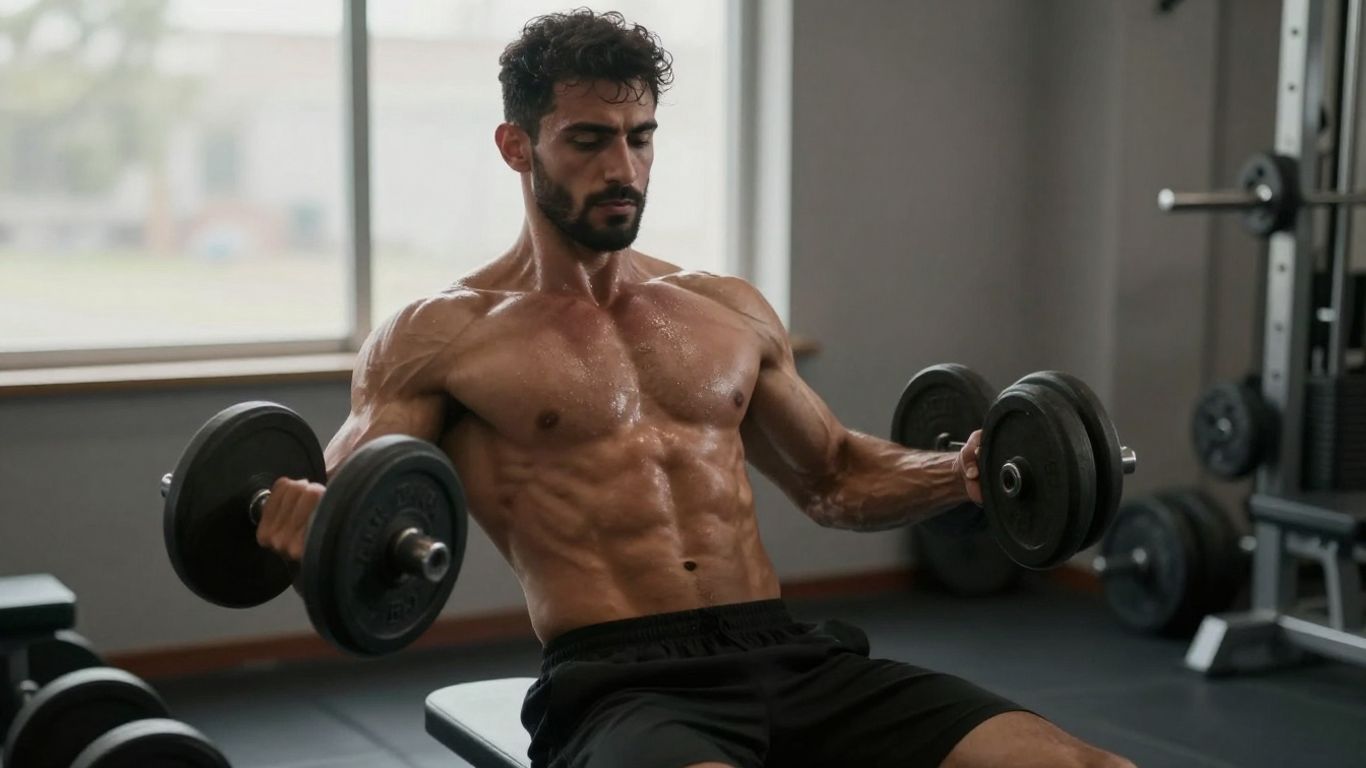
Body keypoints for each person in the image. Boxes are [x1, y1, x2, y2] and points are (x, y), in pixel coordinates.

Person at [256, 10, 1135, 768]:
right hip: (619, 682)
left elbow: (833, 477)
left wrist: (968, 473)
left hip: (789, 654)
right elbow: (346, 502)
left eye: (641, 138)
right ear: (516, 145)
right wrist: (294, 517)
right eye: (590, 140)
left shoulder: (726, 309)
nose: (624, 170)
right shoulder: (444, 335)